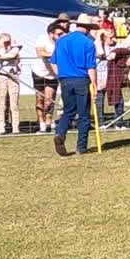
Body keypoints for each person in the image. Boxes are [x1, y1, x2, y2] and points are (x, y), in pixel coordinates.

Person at [52, 14, 99, 156]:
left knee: (68, 111)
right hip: (82, 80)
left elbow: (53, 62)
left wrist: (60, 76)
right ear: (89, 28)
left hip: (65, 79)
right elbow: (91, 66)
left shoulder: (61, 41)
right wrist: (95, 85)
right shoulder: (88, 43)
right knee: (84, 114)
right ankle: (81, 147)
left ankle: (60, 133)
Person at [33, 22, 64, 133]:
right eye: (59, 34)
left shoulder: (61, 42)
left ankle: (48, 122)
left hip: (52, 75)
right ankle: (41, 123)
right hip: (39, 72)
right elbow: (40, 52)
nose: (61, 36)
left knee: (49, 100)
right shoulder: (42, 39)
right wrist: (56, 54)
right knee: (39, 99)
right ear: (51, 34)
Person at [0, 33, 23, 134]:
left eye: (8, 41)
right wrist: (0, 44)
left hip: (13, 76)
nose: (7, 43)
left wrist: (1, 56)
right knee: (1, 104)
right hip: (1, 76)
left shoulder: (15, 48)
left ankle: (15, 127)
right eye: (4, 41)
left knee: (14, 104)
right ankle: (2, 127)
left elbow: (12, 55)